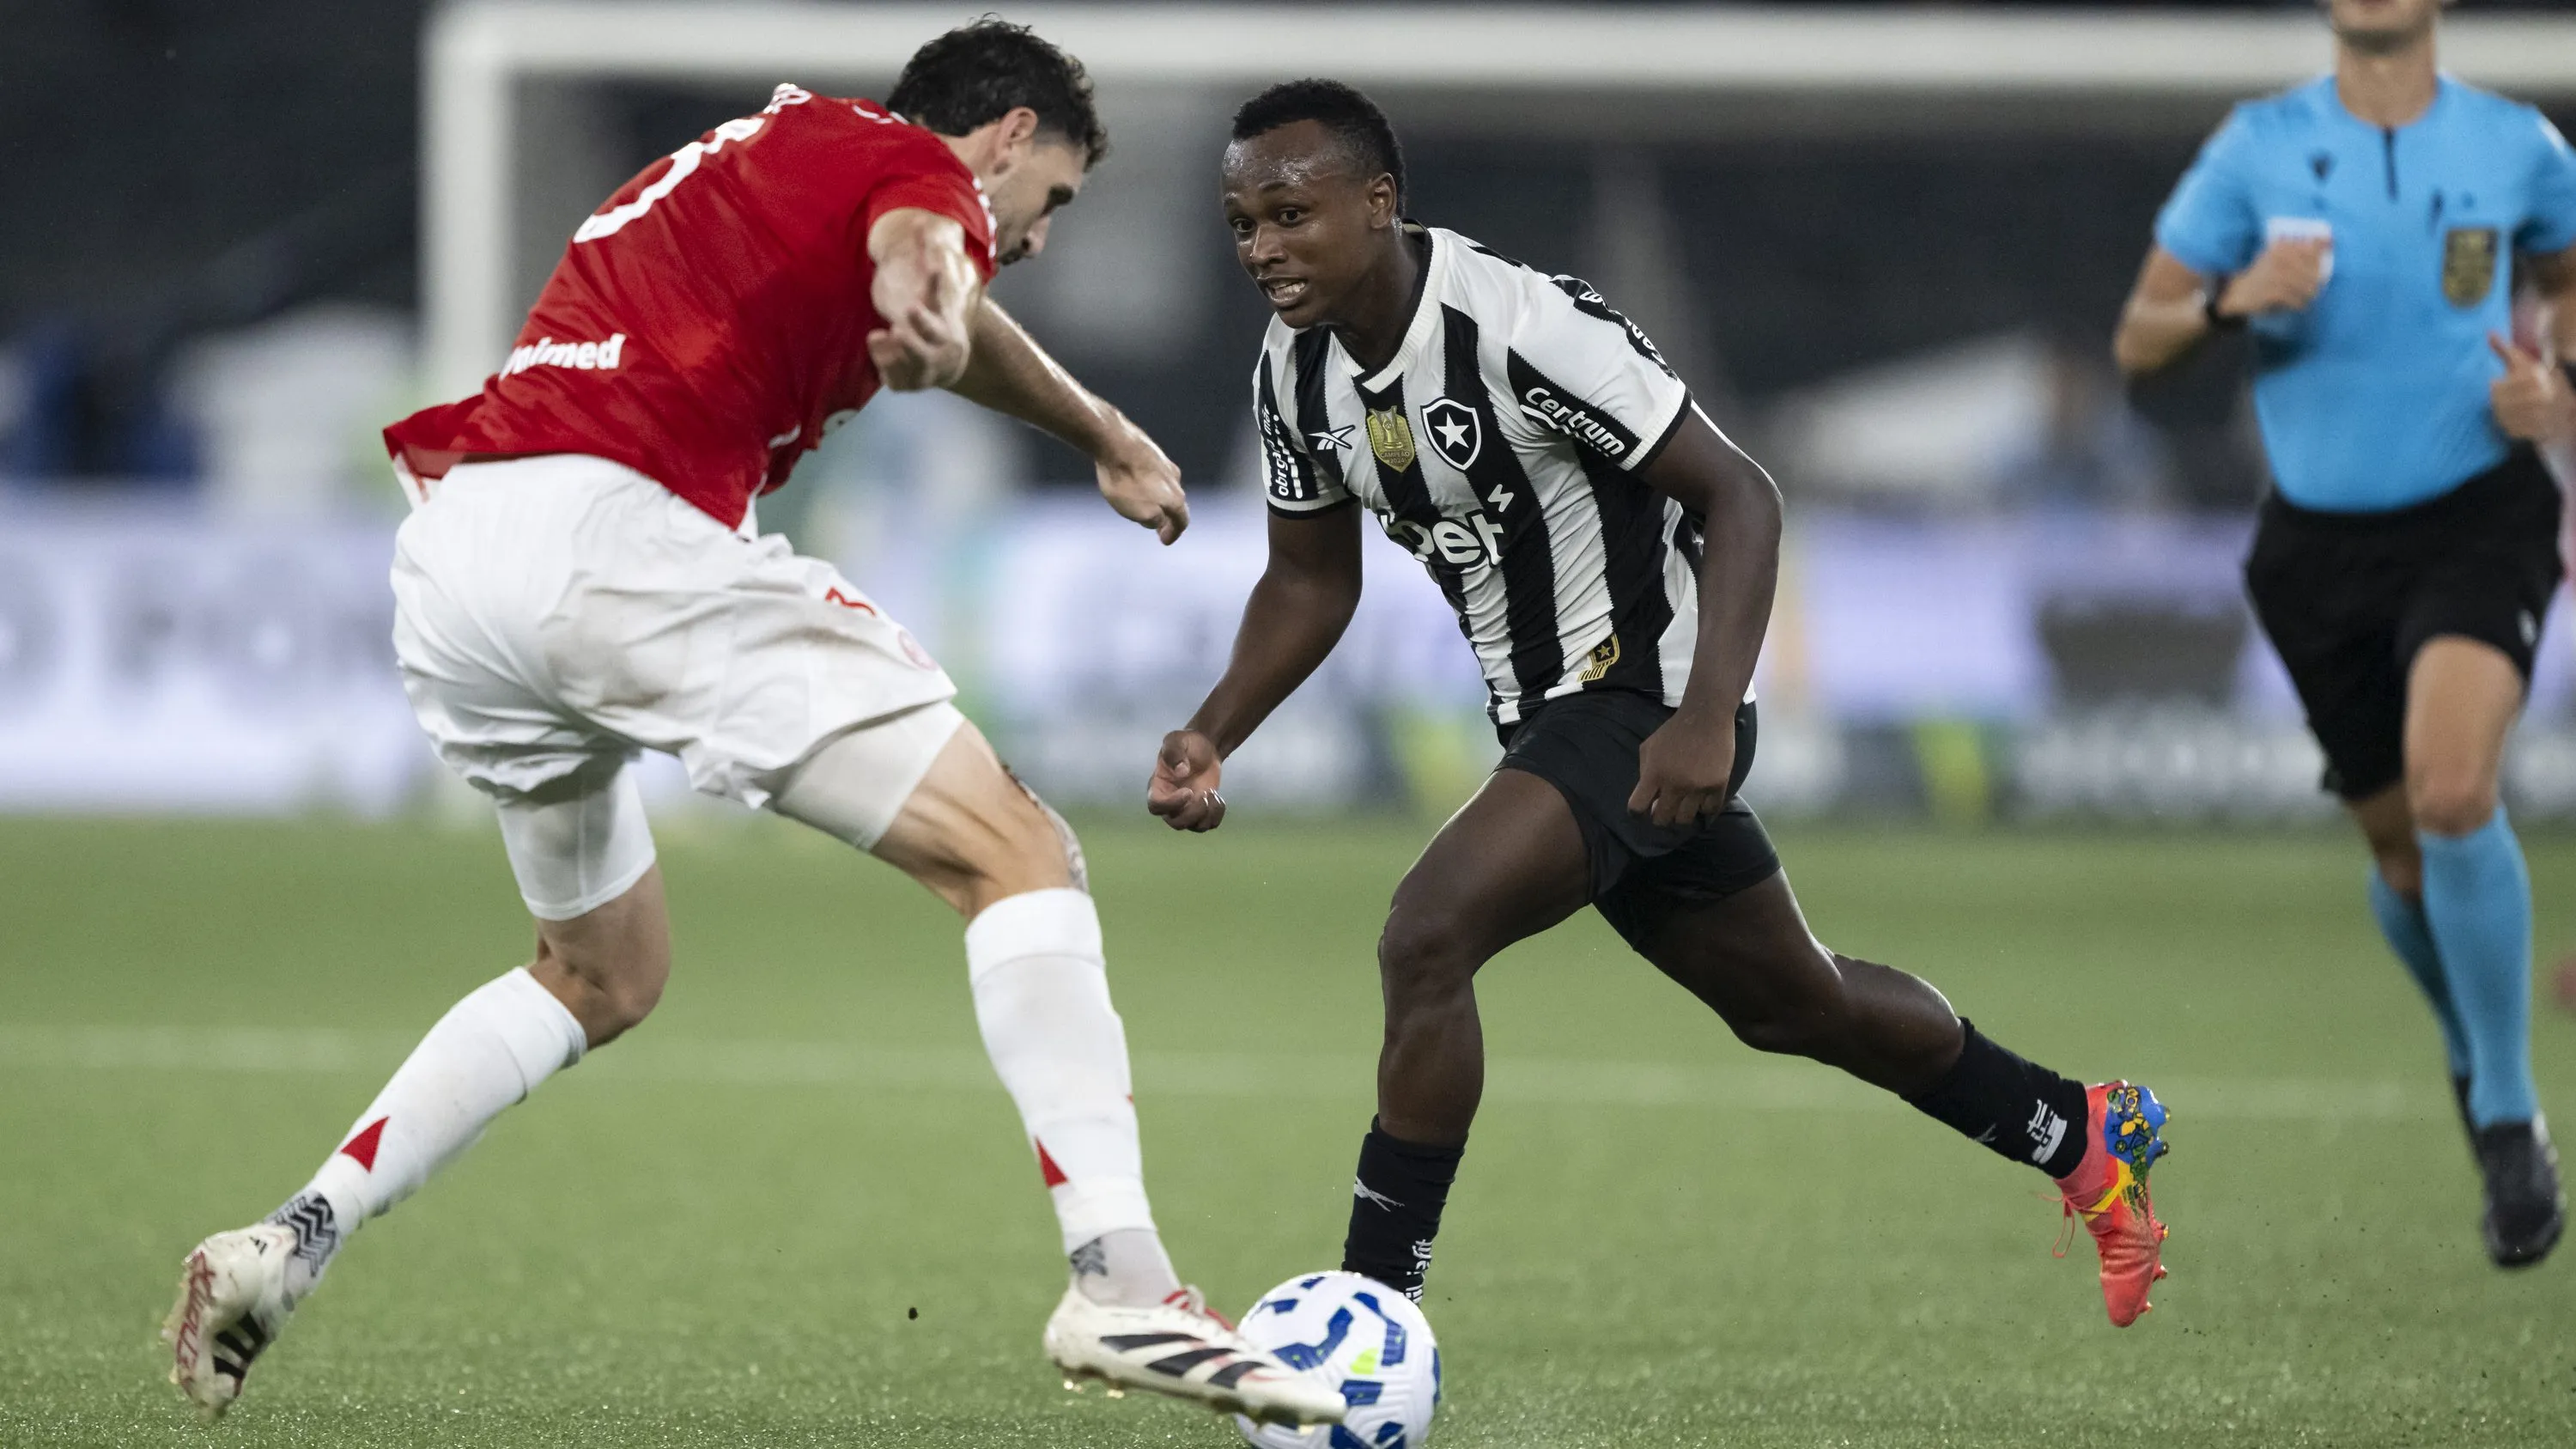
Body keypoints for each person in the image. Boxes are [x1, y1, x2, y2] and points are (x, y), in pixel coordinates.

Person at [159, 21, 1341, 1430]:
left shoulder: (789, 155)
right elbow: (930, 243)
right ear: (1010, 136)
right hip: (617, 537)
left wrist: (1090, 425)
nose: (1037, 237)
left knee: (602, 973)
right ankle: (1123, 1280)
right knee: (1019, 854)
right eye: (1054, 202)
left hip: (464, 553)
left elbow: (942, 295)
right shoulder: (911, 177)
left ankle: (290, 1239)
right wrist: (926, 288)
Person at [1150, 79, 2172, 1326]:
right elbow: (1309, 582)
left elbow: (1744, 495)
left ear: (1379, 203)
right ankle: (2081, 1131)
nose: (1262, 247)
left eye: (1290, 214)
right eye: (1242, 222)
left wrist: (1706, 713)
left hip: (1648, 695)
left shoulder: (1525, 327)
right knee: (1797, 1003)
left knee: (1426, 936)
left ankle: (1368, 1316)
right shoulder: (1292, 370)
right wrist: (1213, 730)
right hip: (1559, 723)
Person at [2113, 0, 2576, 1266]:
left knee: (2452, 789)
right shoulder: (2255, 151)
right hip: (2316, 552)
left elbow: (2569, 280)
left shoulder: (2518, 148)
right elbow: (2137, 341)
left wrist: (2561, 383)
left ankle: (2503, 1112)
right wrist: (2227, 304)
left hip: (2481, 519)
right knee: (2405, 859)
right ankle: (2477, 1044)